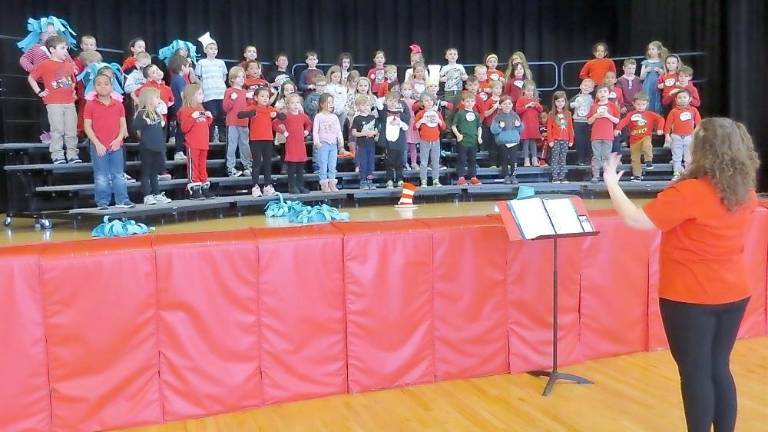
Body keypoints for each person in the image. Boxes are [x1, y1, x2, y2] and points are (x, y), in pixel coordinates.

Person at [603, 117, 760, 432]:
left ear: (707, 150)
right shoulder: (745, 191)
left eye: (695, 142)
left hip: (690, 297)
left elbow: (636, 220)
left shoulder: (691, 192)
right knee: (718, 367)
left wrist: (611, 182)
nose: (689, 145)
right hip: (734, 293)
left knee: (695, 373)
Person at [28, 35, 79, 164]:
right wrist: (39, 91)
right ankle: (57, 155)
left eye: (66, 48)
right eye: (62, 48)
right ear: (52, 49)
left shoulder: (68, 65)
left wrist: (72, 91)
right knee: (57, 130)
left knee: (71, 130)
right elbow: (31, 78)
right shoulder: (45, 64)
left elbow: (72, 81)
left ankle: (72, 154)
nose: (65, 51)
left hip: (69, 103)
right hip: (54, 103)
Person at [83, 75, 132, 209]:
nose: (102, 86)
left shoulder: (118, 105)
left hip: (116, 145)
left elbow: (123, 125)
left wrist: (118, 139)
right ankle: (102, 202)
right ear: (94, 87)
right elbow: (87, 127)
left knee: (118, 174)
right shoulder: (90, 105)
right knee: (101, 176)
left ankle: (122, 200)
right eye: (99, 84)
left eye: (106, 84)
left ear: (111, 87)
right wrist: (97, 144)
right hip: (98, 146)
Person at [238, 87, 282, 197]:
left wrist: (276, 115)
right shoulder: (253, 108)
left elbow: (283, 116)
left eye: (267, 96)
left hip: (268, 140)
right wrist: (251, 113)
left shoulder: (270, 109)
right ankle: (255, 186)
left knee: (267, 163)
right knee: (256, 163)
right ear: (256, 98)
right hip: (255, 140)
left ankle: (267, 186)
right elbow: (240, 115)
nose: (265, 98)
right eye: (262, 96)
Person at [133, 87, 172, 205]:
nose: (159, 100)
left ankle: (157, 193)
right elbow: (135, 126)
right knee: (146, 172)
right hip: (147, 147)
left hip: (157, 147)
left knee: (154, 173)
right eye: (156, 97)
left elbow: (159, 130)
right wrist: (145, 122)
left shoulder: (156, 113)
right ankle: (147, 195)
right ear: (149, 99)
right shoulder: (142, 113)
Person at [615, 92, 665, 181]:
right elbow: (624, 121)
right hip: (634, 140)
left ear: (647, 104)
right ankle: (637, 175)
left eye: (643, 104)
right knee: (635, 159)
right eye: (638, 104)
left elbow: (661, 119)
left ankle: (648, 161)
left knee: (647, 146)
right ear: (634, 104)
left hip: (645, 136)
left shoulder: (650, 114)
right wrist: (618, 128)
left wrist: (660, 128)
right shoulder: (631, 114)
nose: (640, 106)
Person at [178, 83, 214, 200]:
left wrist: (209, 117)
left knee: (202, 165)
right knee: (193, 166)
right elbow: (184, 128)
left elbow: (205, 124)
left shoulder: (200, 108)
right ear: (191, 95)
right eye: (199, 94)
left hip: (204, 143)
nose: (202, 96)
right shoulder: (185, 110)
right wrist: (193, 117)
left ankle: (204, 186)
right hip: (193, 143)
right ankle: (194, 188)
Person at [275, 94, 313, 194]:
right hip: (291, 144)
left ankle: (300, 186)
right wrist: (283, 132)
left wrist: (306, 132)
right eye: (292, 103)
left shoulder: (302, 115)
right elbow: (274, 124)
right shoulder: (286, 115)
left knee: (300, 168)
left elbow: (309, 124)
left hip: (300, 145)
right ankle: (292, 187)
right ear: (287, 105)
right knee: (291, 168)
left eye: (297, 102)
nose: (295, 105)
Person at [222, 66, 254, 177]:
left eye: (243, 77)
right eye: (238, 77)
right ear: (232, 79)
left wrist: (250, 99)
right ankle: (230, 168)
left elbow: (250, 108)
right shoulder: (229, 91)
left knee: (245, 145)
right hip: (232, 123)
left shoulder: (245, 92)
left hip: (244, 122)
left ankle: (247, 166)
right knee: (232, 145)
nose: (241, 79)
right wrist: (232, 99)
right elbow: (225, 107)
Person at [195, 37, 228, 143]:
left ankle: (222, 135)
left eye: (215, 49)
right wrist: (203, 86)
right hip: (209, 93)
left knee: (222, 115)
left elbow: (224, 76)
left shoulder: (221, 63)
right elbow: (197, 77)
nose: (213, 51)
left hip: (221, 93)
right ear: (205, 50)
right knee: (211, 114)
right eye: (211, 48)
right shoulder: (201, 63)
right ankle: (211, 136)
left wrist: (220, 84)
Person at [665, 90, 701, 180]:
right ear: (676, 100)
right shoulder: (673, 111)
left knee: (689, 157)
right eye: (680, 98)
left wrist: (697, 134)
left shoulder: (693, 110)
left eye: (685, 97)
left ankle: (688, 174)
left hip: (689, 137)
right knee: (676, 156)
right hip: (676, 137)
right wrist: (667, 135)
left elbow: (699, 123)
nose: (682, 100)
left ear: (690, 99)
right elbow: (668, 124)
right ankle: (677, 173)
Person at [587, 84, 621, 182]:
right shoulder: (594, 106)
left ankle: (607, 175)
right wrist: (595, 116)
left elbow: (617, 121)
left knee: (606, 156)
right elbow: (589, 121)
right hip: (596, 135)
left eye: (605, 91)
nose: (602, 94)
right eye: (600, 92)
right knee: (596, 155)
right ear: (597, 95)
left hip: (608, 135)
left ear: (609, 94)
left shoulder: (612, 106)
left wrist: (607, 115)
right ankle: (596, 175)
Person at [313, 93, 345, 192]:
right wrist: (317, 142)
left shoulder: (334, 117)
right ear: (322, 104)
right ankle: (324, 183)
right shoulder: (318, 116)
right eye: (328, 102)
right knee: (323, 163)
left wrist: (341, 144)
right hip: (323, 143)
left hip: (333, 144)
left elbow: (338, 131)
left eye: (332, 102)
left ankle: (332, 183)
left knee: (332, 164)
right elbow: (315, 130)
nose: (331, 104)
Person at [414, 93, 446, 187]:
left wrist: (439, 121)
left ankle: (436, 179)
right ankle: (423, 180)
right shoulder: (420, 113)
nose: (429, 102)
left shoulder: (437, 113)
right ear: (422, 103)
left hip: (436, 140)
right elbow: (414, 127)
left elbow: (443, 127)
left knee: (435, 161)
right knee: (424, 161)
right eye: (426, 100)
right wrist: (421, 121)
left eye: (431, 100)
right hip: (424, 140)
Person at [452, 90, 483, 186]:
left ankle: (473, 177)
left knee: (472, 160)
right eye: (467, 101)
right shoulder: (460, 113)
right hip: (463, 141)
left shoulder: (476, 114)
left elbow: (479, 127)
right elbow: (453, 126)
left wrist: (479, 137)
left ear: (474, 102)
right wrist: (458, 135)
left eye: (471, 101)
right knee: (462, 159)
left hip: (473, 141)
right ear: (463, 102)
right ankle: (461, 177)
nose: (470, 103)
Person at [490, 96, 522, 184]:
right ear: (500, 105)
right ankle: (506, 176)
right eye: (504, 104)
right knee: (503, 160)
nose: (507, 106)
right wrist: (500, 126)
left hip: (513, 141)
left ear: (512, 105)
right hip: (503, 142)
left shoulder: (515, 115)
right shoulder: (498, 117)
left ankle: (513, 176)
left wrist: (518, 125)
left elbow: (521, 128)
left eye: (509, 104)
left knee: (513, 160)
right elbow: (493, 130)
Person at [351, 95, 379, 189]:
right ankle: (363, 181)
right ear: (358, 107)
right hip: (362, 145)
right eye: (363, 105)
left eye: (367, 105)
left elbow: (376, 130)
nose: (366, 107)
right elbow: (354, 133)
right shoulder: (357, 118)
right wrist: (363, 133)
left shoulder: (372, 117)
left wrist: (373, 133)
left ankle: (370, 181)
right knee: (363, 163)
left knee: (371, 163)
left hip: (371, 144)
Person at [547, 91, 574, 183]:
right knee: (555, 158)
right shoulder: (551, 114)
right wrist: (550, 140)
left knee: (563, 159)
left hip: (565, 139)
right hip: (555, 140)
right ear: (554, 102)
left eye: (562, 101)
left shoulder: (568, 114)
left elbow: (570, 127)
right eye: (558, 101)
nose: (560, 103)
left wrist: (571, 139)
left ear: (565, 102)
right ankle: (555, 177)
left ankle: (562, 176)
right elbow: (549, 128)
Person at [515, 80, 543, 167]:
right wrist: (527, 106)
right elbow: (518, 110)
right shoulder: (521, 99)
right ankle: (526, 159)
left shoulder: (535, 99)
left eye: (531, 90)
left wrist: (536, 105)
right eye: (528, 90)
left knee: (533, 142)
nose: (530, 92)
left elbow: (540, 110)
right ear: (523, 90)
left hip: (533, 124)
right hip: (525, 125)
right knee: (526, 142)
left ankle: (534, 159)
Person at [439, 47, 468, 126]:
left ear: (457, 56)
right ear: (446, 56)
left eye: (454, 54)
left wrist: (464, 77)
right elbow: (439, 78)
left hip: (459, 91)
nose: (452, 56)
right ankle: (448, 131)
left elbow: (465, 76)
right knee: (449, 111)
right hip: (449, 92)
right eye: (450, 54)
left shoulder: (460, 66)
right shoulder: (445, 68)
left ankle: (458, 128)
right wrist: (444, 78)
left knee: (459, 110)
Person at [571, 78, 595, 166]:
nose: (586, 88)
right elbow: (569, 104)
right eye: (585, 85)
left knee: (588, 141)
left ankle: (588, 158)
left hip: (588, 122)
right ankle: (580, 158)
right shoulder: (577, 97)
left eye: (589, 87)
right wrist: (574, 104)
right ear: (581, 86)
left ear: (592, 89)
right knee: (579, 141)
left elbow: (594, 108)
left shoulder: (592, 99)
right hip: (578, 121)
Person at [640, 40, 668, 114]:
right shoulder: (645, 63)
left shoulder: (662, 63)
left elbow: (666, 76)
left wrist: (660, 71)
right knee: (647, 100)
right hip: (647, 86)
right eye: (649, 49)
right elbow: (641, 77)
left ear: (658, 51)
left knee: (657, 100)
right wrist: (646, 71)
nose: (650, 51)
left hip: (658, 86)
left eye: (653, 49)